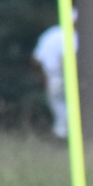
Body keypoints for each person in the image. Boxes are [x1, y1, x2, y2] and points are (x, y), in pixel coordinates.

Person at [32, 11, 76, 139]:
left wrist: (42, 77)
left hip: (50, 77)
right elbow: (66, 59)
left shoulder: (50, 34)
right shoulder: (72, 36)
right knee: (71, 109)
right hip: (65, 77)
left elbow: (36, 60)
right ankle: (64, 137)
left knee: (58, 108)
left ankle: (60, 135)